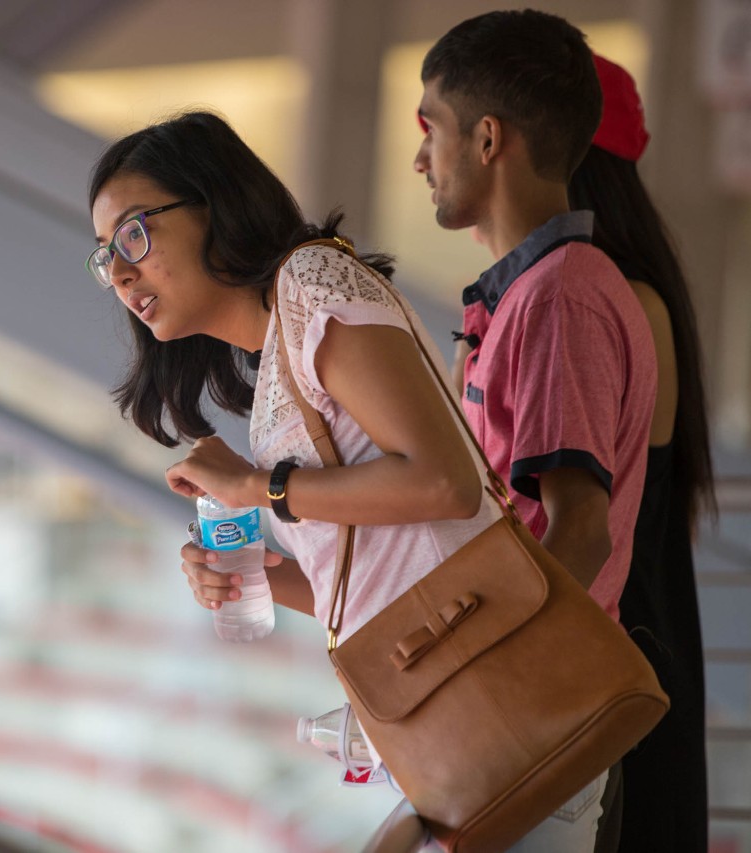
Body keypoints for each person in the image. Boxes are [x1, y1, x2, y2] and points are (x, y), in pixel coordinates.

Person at [91, 110, 598, 850]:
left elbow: (444, 484)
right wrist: (258, 575)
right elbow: (368, 568)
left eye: (134, 233)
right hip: (448, 698)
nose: (121, 272)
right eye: (105, 256)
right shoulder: (277, 351)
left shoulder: (311, 280)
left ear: (213, 203)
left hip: (494, 695)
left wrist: (258, 487)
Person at [414, 11, 658, 850]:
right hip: (519, 704)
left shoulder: (562, 296)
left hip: (530, 711)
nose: (420, 159)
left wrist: (477, 679)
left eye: (430, 129)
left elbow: (578, 526)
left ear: (487, 138)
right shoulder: (530, 295)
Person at [566, 54, 714, 853]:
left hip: (623, 661)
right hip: (638, 653)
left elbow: (583, 521)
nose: (429, 160)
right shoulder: (630, 293)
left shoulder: (603, 301)